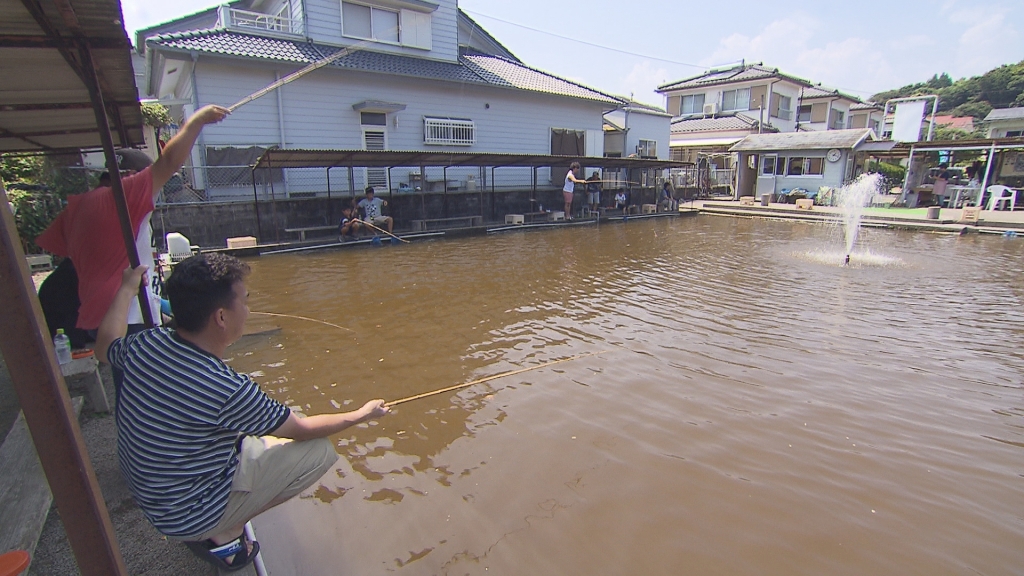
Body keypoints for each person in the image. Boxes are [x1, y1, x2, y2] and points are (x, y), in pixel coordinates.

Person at [95, 253, 389, 571]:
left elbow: (105, 345)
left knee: (252, 435)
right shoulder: (225, 387)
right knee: (318, 451)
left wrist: (126, 289)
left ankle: (220, 517)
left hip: (151, 494)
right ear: (221, 317)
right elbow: (301, 429)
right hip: (186, 515)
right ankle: (226, 529)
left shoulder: (146, 344)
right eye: (244, 302)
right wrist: (362, 414)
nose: (248, 311)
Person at [36, 104, 229, 393]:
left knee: (131, 390)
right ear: (129, 176)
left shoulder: (79, 207)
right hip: (129, 317)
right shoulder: (124, 196)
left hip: (106, 317)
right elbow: (169, 162)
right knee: (147, 394)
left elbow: (69, 253)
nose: (154, 188)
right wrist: (198, 120)